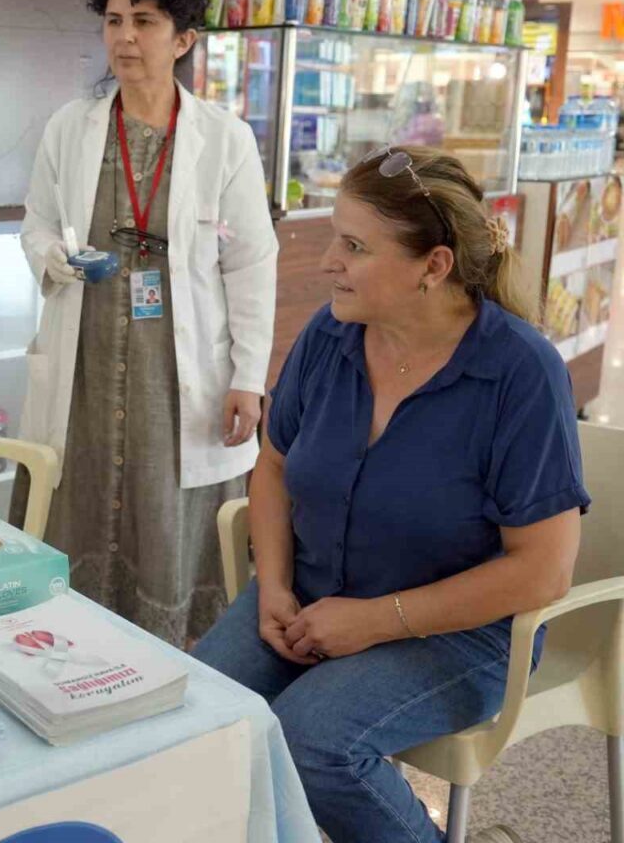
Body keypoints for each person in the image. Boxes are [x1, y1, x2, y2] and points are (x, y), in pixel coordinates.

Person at [194, 146, 588, 843]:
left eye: (353, 246)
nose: (327, 264)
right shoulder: (332, 333)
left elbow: (544, 570)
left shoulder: (519, 373)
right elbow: (276, 466)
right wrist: (276, 586)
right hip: (314, 593)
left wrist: (376, 621)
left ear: (433, 267)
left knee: (315, 744)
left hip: (463, 631)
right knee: (198, 716)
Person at [10, 0, 278, 648]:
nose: (125, 37)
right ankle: (73, 650)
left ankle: (175, 659)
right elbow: (36, 221)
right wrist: (57, 260)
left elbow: (251, 261)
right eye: (114, 20)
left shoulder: (226, 140)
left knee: (168, 503)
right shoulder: (70, 127)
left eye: (146, 21)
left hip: (176, 364)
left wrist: (249, 377)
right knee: (81, 489)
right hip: (88, 348)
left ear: (184, 39)